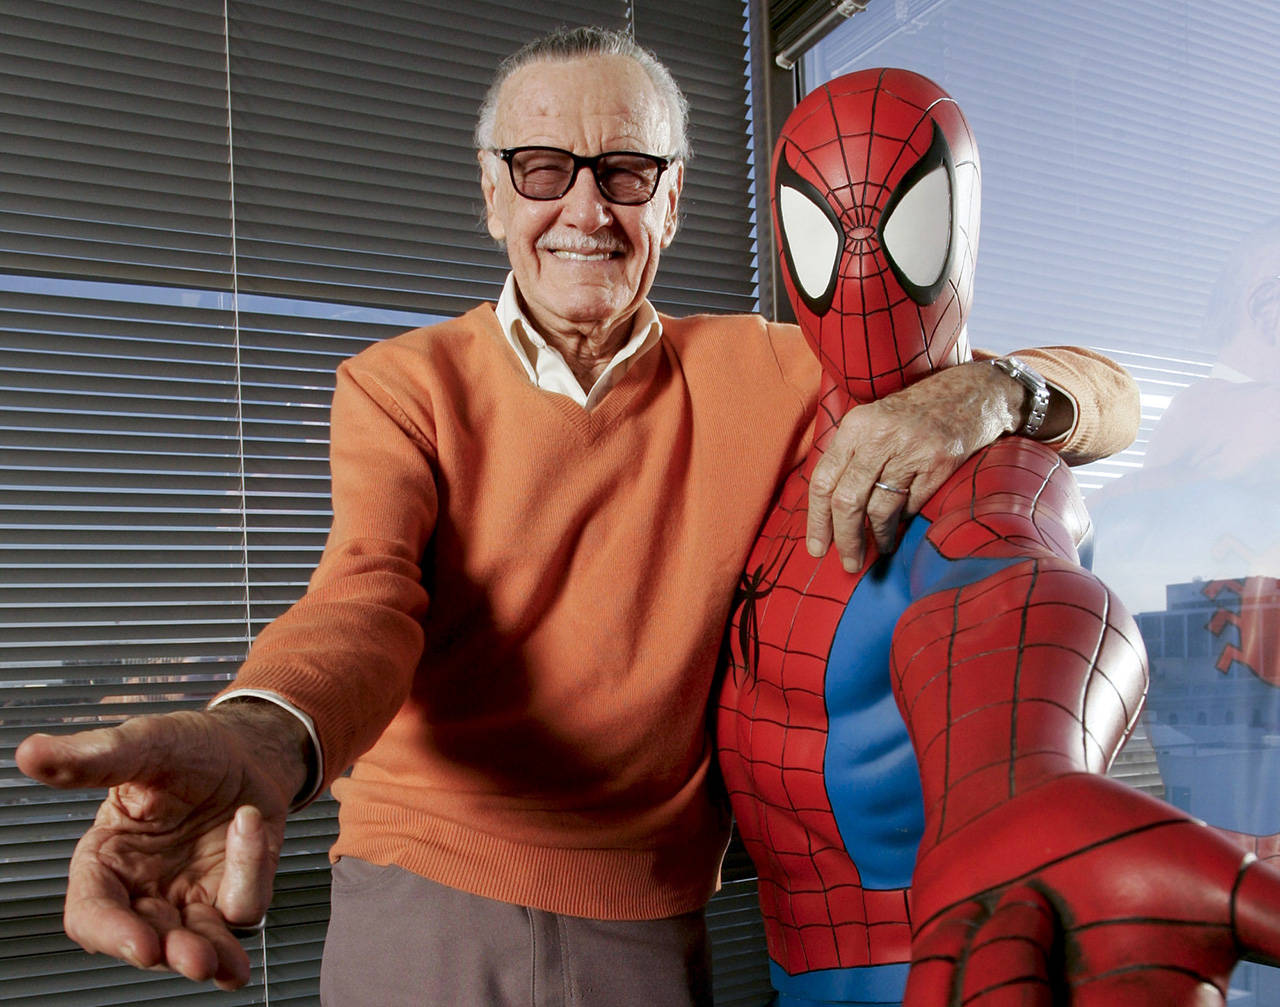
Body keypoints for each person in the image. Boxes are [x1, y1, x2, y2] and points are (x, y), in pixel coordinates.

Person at [15, 28, 1138, 1005]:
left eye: (627, 171)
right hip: (422, 900)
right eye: (545, 168)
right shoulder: (399, 384)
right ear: (493, 191)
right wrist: (254, 735)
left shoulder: (778, 373)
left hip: (645, 923)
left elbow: (1110, 401)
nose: (585, 210)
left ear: (676, 193)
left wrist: (992, 392)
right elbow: (365, 596)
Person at [719, 68, 1280, 1006]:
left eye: (900, 224)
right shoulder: (755, 413)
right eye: (827, 229)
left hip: (958, 958)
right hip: (790, 968)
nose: (860, 271)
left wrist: (1017, 783)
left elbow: (1017, 595)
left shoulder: (994, 467)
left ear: (960, 229)